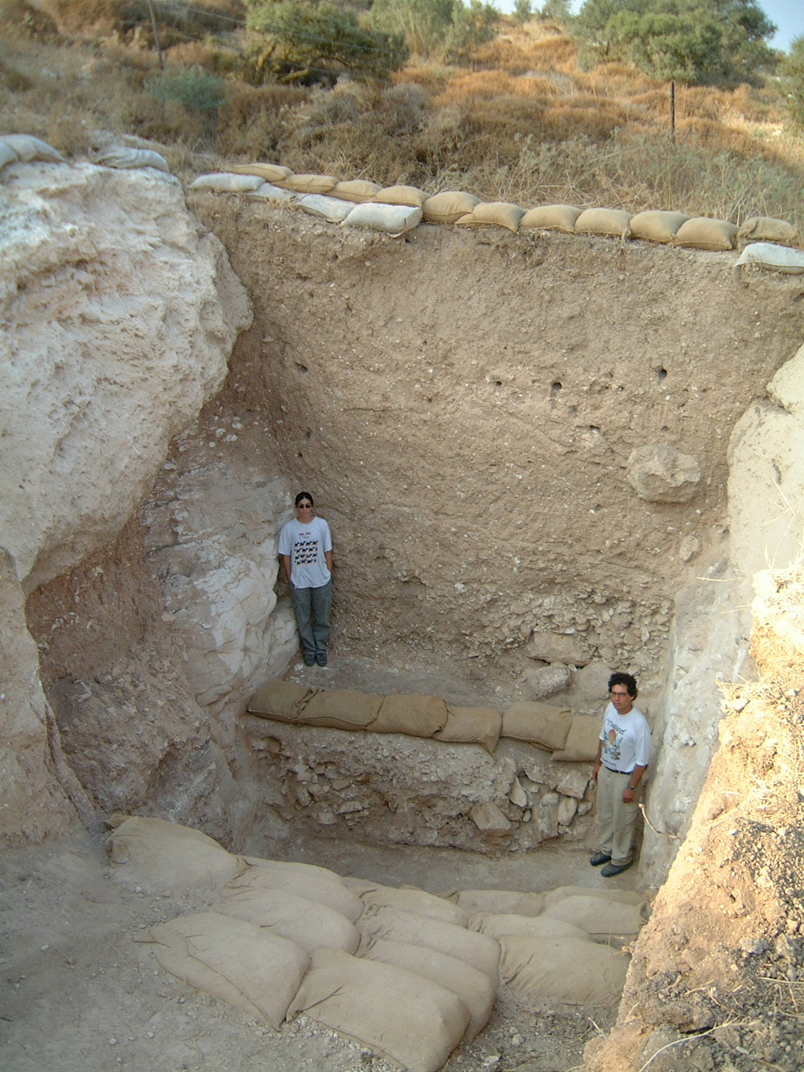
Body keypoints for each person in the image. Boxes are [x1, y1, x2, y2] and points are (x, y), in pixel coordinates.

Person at [590, 671, 651, 877]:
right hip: (607, 770)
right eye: (614, 693)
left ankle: (621, 858)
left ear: (632, 696)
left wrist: (631, 786)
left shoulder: (638, 724)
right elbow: (603, 738)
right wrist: (598, 764)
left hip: (625, 776)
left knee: (623, 820)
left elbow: (642, 761)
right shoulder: (610, 710)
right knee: (606, 815)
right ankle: (607, 850)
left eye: (622, 694)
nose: (617, 699)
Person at [279, 492, 333, 667]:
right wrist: (290, 577)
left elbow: (328, 550)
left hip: (320, 578)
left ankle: (321, 649)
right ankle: (310, 649)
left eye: (307, 505)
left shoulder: (321, 525)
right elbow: (286, 555)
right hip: (300, 580)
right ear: (296, 508)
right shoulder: (289, 528)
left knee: (322, 617)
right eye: (301, 506)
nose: (304, 509)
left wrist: (328, 572)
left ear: (312, 507)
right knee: (303, 618)